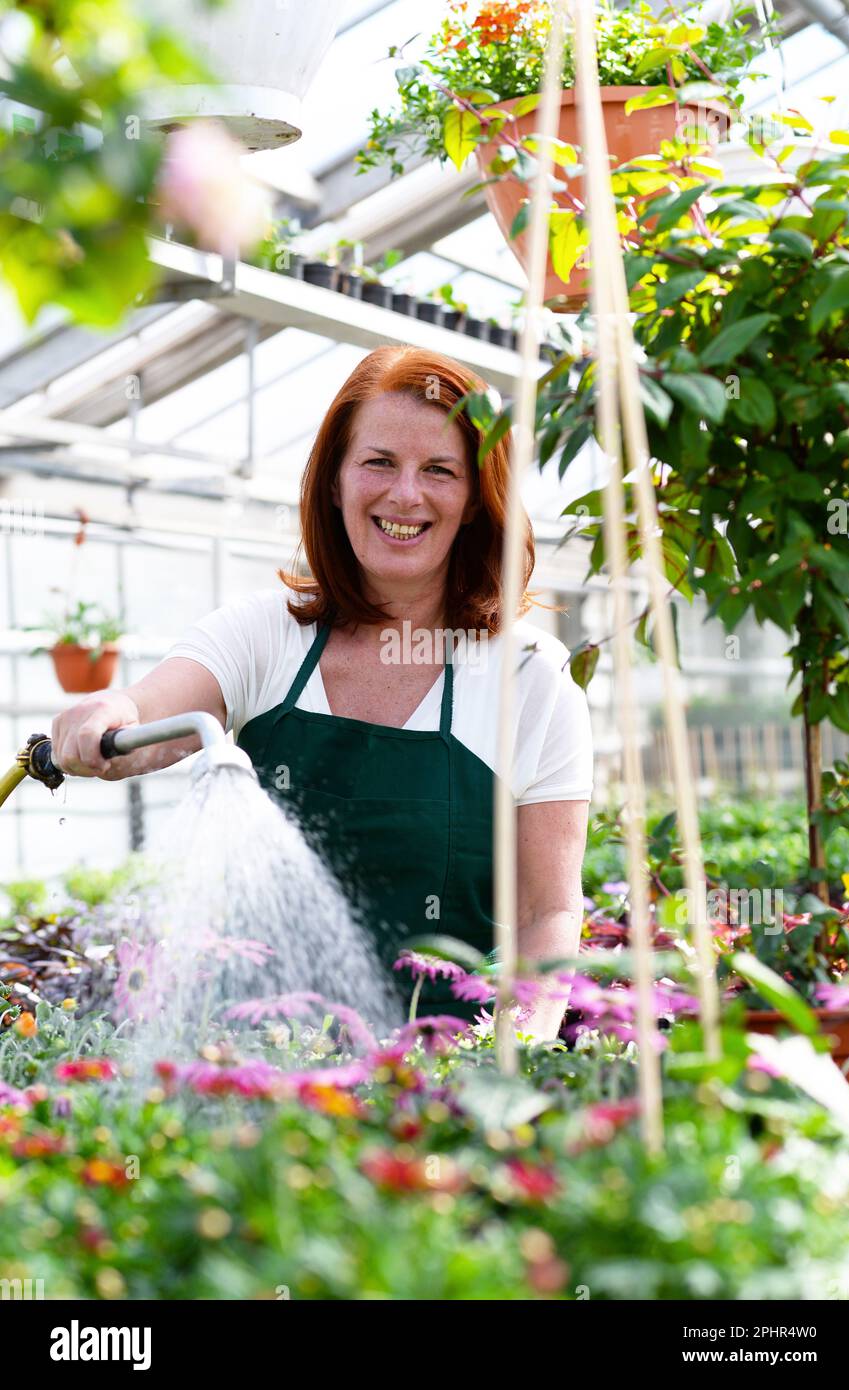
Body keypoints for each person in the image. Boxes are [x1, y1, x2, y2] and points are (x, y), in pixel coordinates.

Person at [50, 346, 592, 1037]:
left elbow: (548, 910)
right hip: (257, 1069)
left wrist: (511, 1054)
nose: (405, 495)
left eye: (439, 471)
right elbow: (155, 713)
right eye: (377, 462)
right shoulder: (264, 636)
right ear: (334, 482)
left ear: (476, 501)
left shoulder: (532, 680)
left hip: (444, 1080)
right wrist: (108, 714)